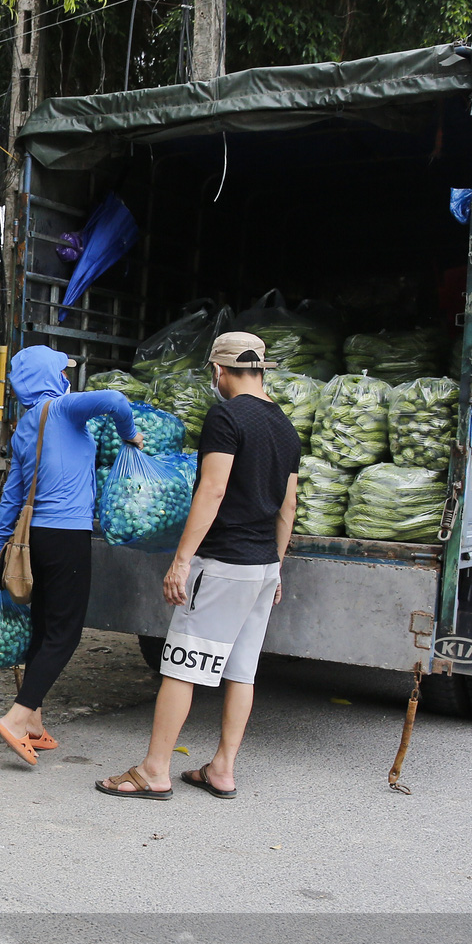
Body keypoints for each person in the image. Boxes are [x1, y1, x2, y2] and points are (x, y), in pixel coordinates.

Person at [97, 333, 301, 800]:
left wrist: (182, 560)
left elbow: (212, 490)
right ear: (261, 369)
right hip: (261, 567)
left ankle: (154, 770)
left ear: (219, 371)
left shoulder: (226, 416)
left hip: (223, 563)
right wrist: (277, 567)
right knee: (242, 671)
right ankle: (223, 769)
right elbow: (288, 505)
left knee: (181, 667)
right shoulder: (285, 426)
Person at [0, 345, 141, 766]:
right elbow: (115, 400)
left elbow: (13, 496)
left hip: (34, 538)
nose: (68, 376)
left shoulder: (26, 426)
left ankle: (32, 719)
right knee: (65, 632)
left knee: (44, 626)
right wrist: (130, 434)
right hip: (67, 536)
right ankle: (16, 719)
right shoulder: (65, 408)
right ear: (51, 375)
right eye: (62, 369)